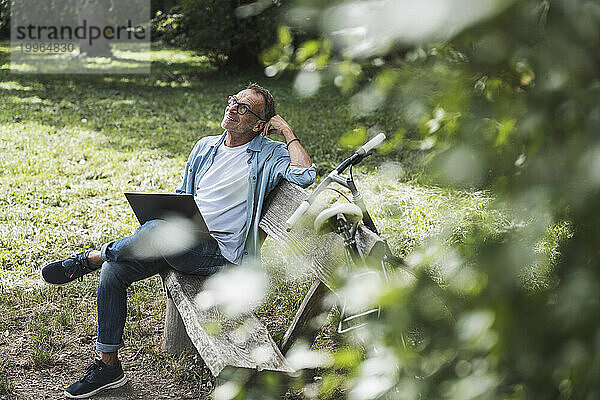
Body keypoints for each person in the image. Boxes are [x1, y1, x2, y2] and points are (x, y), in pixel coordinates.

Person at [41, 83, 316, 398]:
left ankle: (92, 257)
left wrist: (286, 129)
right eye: (233, 101)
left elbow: (305, 173)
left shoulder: (268, 154)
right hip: (183, 241)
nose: (232, 108)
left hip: (219, 255)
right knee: (114, 272)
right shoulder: (205, 147)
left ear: (258, 124)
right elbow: (184, 197)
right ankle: (108, 367)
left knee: (158, 234)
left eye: (243, 107)